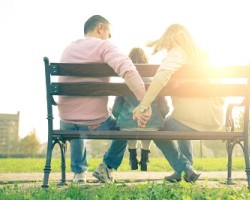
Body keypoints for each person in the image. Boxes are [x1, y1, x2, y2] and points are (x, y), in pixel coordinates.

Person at [58, 15, 146, 183]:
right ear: (100, 28)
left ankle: (79, 173)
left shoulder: (68, 49)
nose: (109, 38)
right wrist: (144, 102)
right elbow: (128, 69)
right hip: (94, 120)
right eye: (109, 34)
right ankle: (106, 167)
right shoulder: (103, 46)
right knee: (126, 128)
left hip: (66, 120)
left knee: (77, 123)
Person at [133, 24, 224, 182]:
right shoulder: (203, 55)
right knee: (178, 118)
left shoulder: (177, 52)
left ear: (170, 41)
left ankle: (183, 168)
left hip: (191, 120)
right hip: (215, 120)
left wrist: (143, 105)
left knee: (158, 129)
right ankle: (185, 169)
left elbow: (161, 76)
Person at [112, 47, 169, 171]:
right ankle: (144, 159)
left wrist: (119, 118)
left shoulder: (126, 82)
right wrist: (161, 116)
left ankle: (132, 156)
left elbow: (115, 109)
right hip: (152, 126)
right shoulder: (155, 82)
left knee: (130, 126)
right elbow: (165, 108)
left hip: (127, 125)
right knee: (148, 125)